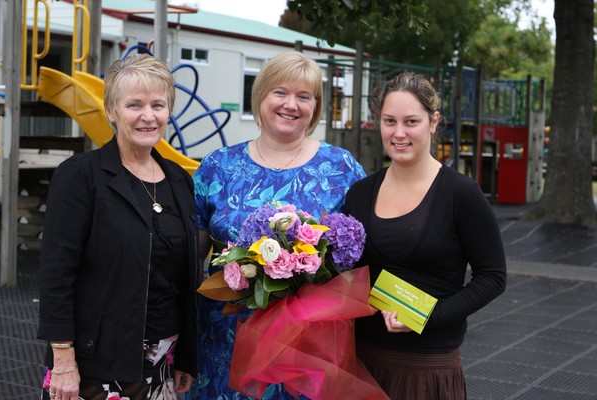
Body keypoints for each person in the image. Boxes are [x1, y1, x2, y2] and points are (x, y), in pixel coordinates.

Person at [189, 51, 367, 399]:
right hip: (226, 340)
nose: (291, 105)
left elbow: (363, 252)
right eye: (280, 92)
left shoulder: (340, 167)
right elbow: (187, 255)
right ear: (261, 97)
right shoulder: (218, 166)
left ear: (316, 107)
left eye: (305, 96)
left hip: (309, 349)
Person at [37, 54, 200, 400]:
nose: (148, 115)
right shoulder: (81, 176)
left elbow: (184, 277)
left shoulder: (178, 180)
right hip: (97, 361)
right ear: (111, 111)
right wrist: (63, 359)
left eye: (158, 104)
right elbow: (56, 274)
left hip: (163, 361)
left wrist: (187, 356)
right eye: (134, 105)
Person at [343, 71, 507, 399]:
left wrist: (429, 317)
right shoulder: (359, 193)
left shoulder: (461, 194)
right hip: (362, 360)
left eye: (411, 122)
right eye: (389, 121)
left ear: (433, 122)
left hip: (426, 366)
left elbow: (493, 277)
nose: (399, 133)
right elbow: (349, 272)